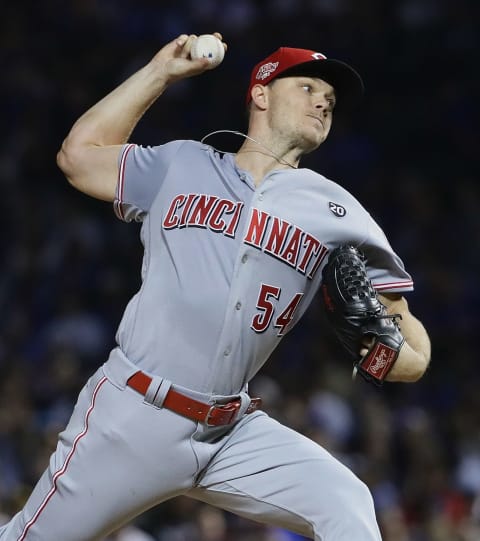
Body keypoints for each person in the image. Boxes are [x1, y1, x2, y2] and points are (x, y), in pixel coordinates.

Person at [0, 32, 431, 541]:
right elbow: (78, 156)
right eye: (310, 87)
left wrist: (375, 348)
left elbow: (414, 355)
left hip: (231, 430)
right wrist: (160, 72)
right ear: (262, 93)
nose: (323, 101)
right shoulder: (182, 164)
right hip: (135, 416)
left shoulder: (339, 212)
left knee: (346, 502)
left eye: (330, 100)